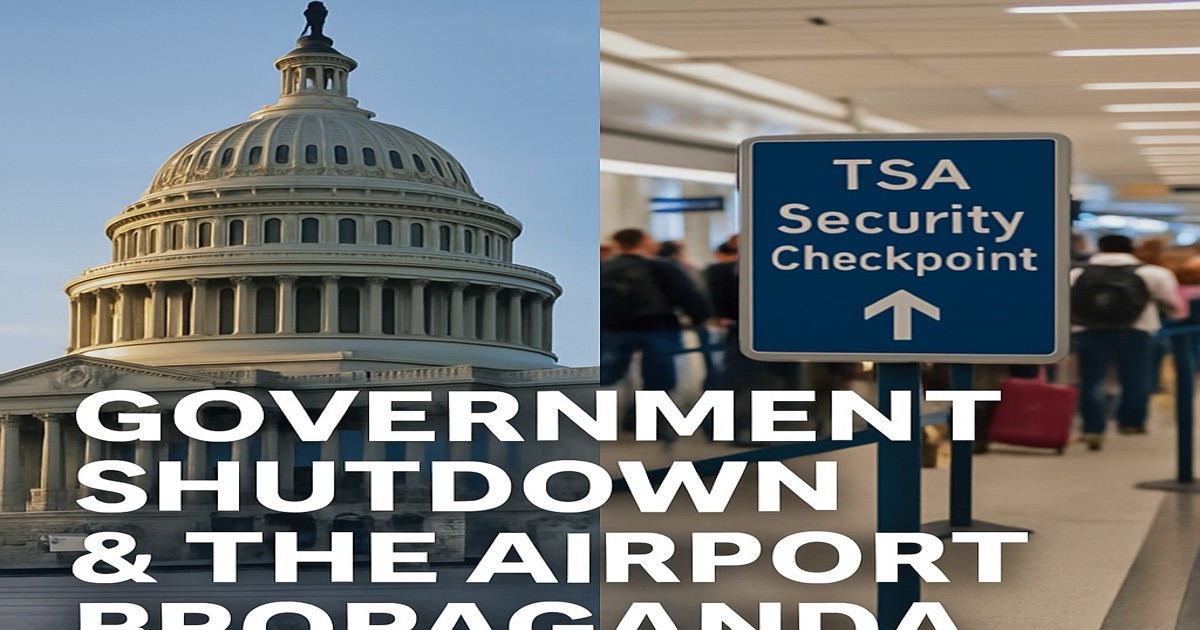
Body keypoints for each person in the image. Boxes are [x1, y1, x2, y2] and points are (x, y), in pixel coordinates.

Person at [1071, 234, 1183, 450]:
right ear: (1132, 249)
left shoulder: (1077, 273)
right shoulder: (1152, 273)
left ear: (1100, 247)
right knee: (1135, 377)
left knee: (1091, 379)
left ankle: (1092, 427)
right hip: (1136, 330)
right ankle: (1131, 422)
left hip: (1088, 330)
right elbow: (1173, 305)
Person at [600, 229, 711, 432]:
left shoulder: (603, 267)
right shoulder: (661, 267)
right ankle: (649, 421)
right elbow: (686, 294)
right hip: (658, 326)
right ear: (643, 242)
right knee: (659, 377)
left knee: (610, 373)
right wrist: (700, 318)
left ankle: (624, 418)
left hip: (614, 328)